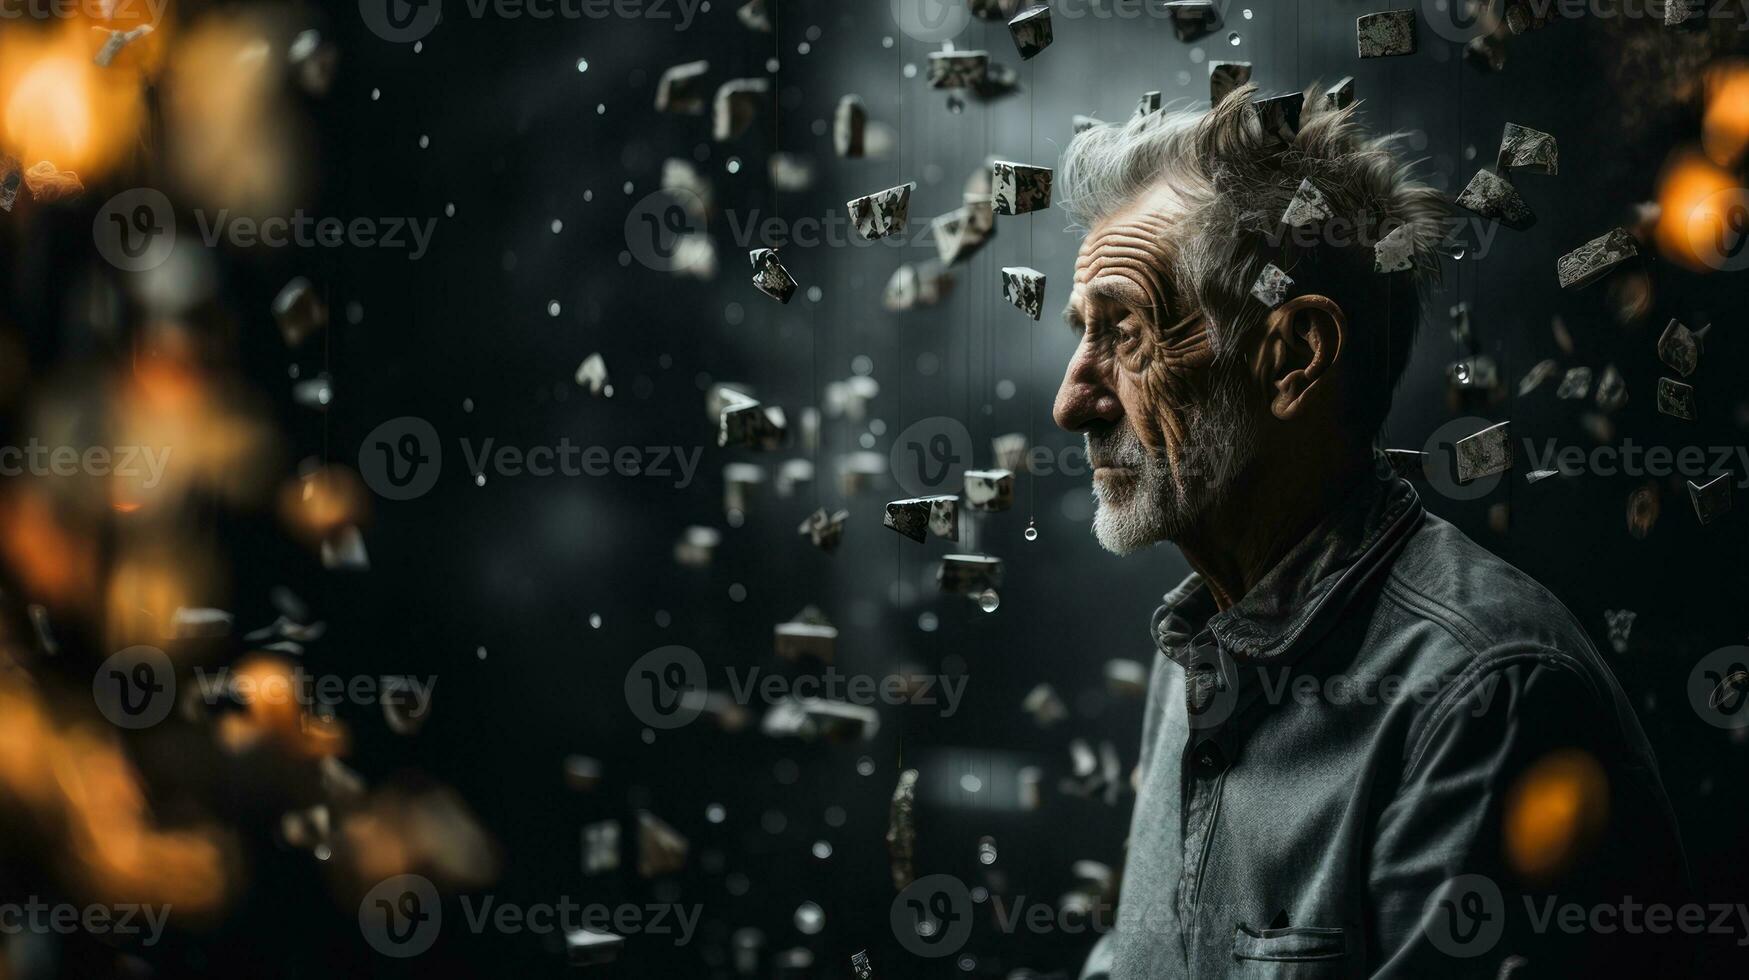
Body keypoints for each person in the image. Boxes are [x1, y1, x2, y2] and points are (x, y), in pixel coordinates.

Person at [1054, 85, 1691, 978]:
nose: (1070, 402)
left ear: (1293, 357)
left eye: (1123, 334)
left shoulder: (1482, 701)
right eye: (1082, 335)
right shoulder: (1198, 649)